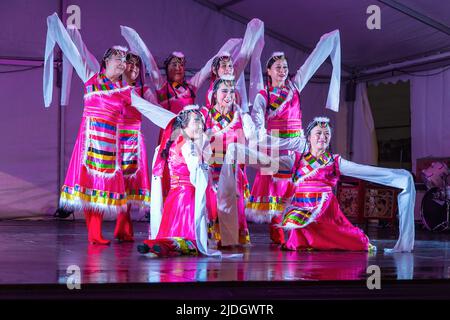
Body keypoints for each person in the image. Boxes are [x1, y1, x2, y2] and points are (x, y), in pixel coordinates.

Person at [219, 117, 416, 253]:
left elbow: (365, 170)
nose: (322, 137)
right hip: (302, 209)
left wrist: (398, 176)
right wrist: (240, 151)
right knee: (296, 230)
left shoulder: (335, 161)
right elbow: (267, 162)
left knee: (357, 242)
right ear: (309, 137)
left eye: (326, 134)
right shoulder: (296, 160)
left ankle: (336, 237)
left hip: (326, 211)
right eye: (318, 133)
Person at [246, 30, 342, 244]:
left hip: (298, 147)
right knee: (278, 190)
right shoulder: (264, 96)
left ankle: (303, 232)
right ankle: (278, 230)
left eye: (285, 67)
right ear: (268, 71)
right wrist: (285, 142)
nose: (283, 71)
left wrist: (326, 42)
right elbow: (259, 132)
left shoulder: (295, 85)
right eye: (278, 67)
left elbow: (312, 63)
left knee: (299, 187)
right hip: (277, 146)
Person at [44, 13, 131, 244]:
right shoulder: (92, 77)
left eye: (124, 60)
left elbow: (145, 107)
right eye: (117, 58)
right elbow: (76, 53)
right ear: (105, 62)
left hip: (110, 142)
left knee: (101, 187)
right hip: (91, 140)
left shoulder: (123, 90)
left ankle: (96, 233)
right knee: (90, 184)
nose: (122, 63)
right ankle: (94, 234)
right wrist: (64, 28)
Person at [137, 107, 220, 257]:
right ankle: (160, 246)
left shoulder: (174, 142)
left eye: (201, 122)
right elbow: (196, 171)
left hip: (174, 198)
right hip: (187, 199)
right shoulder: (189, 145)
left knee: (172, 234)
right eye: (196, 122)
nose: (200, 125)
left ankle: (153, 245)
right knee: (190, 241)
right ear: (184, 125)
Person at [120, 26, 243, 115]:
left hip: (190, 133)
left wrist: (230, 46)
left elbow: (208, 67)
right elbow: (149, 61)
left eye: (181, 65)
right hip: (169, 134)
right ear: (167, 69)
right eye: (174, 64)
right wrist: (133, 37)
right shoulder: (162, 86)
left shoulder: (191, 87)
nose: (178, 68)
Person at [203, 75, 256, 247]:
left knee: (234, 205)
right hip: (213, 170)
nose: (229, 95)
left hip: (233, 171)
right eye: (224, 91)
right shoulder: (205, 116)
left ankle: (232, 237)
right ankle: (215, 238)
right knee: (213, 206)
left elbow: (254, 140)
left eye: (232, 91)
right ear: (214, 94)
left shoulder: (241, 117)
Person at [205, 19, 264, 112]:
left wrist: (252, 33)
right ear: (214, 69)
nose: (228, 69)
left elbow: (244, 56)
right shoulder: (214, 91)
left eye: (230, 66)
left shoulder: (231, 80)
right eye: (224, 66)